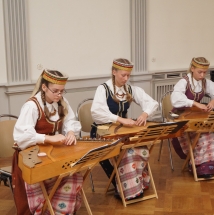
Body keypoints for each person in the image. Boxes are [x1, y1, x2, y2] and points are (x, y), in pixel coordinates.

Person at [12, 69, 83, 215]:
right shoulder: (32, 106)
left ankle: (59, 211)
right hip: (30, 156)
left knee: (73, 176)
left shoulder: (62, 102)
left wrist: (70, 132)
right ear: (44, 87)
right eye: (55, 91)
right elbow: (21, 136)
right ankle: (43, 210)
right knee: (43, 179)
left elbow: (70, 120)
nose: (59, 95)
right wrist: (48, 138)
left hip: (52, 153)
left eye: (62, 91)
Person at [90, 58, 159, 200]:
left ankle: (136, 184)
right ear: (114, 72)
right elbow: (96, 112)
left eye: (128, 75)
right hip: (103, 131)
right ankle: (128, 188)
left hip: (123, 130)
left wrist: (145, 113)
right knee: (127, 153)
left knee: (141, 148)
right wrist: (120, 119)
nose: (126, 78)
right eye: (123, 75)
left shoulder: (130, 89)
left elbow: (151, 102)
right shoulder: (103, 89)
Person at [171, 57, 214, 178]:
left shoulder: (205, 82)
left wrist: (213, 101)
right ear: (192, 68)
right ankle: (197, 164)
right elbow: (175, 99)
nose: (202, 75)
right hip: (181, 117)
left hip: (196, 116)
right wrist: (195, 103)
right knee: (201, 135)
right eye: (199, 72)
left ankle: (206, 165)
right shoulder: (184, 82)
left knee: (209, 133)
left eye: (204, 72)